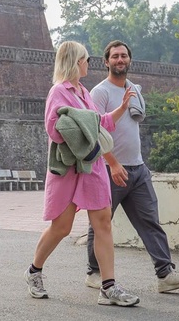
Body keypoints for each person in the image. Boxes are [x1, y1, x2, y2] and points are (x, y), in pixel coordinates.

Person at [25, 41, 140, 307]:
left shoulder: (83, 92)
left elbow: (100, 123)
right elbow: (54, 129)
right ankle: (34, 271)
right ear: (77, 62)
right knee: (61, 228)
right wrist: (80, 121)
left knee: (103, 223)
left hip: (92, 165)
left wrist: (122, 107)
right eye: (86, 59)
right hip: (69, 168)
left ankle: (108, 286)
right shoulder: (59, 92)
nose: (89, 63)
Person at [85, 40, 179, 293]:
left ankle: (165, 274)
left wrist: (137, 163)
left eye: (124, 56)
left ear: (129, 60)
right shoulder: (100, 92)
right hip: (109, 169)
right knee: (100, 223)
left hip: (137, 169)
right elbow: (94, 131)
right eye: (114, 56)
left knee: (150, 221)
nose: (119, 60)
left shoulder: (134, 90)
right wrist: (112, 163)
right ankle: (94, 273)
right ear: (106, 62)